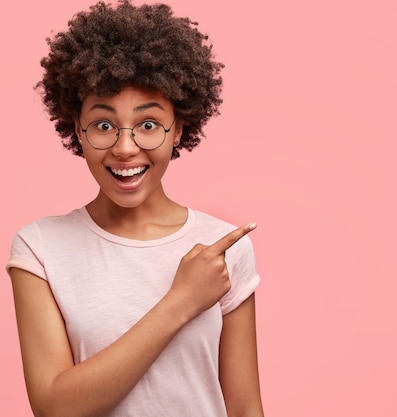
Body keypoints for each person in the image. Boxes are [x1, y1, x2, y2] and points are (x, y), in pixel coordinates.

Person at [6, 1, 265, 416]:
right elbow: (55, 408)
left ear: (178, 127)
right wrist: (180, 302)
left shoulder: (222, 249)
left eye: (147, 124)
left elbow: (245, 407)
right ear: (78, 129)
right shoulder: (39, 249)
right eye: (104, 125)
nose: (125, 148)